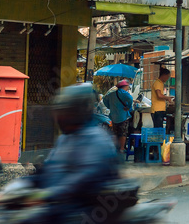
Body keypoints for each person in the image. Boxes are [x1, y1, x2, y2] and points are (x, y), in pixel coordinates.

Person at [29, 84, 121, 224]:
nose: (62, 117)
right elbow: (50, 167)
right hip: (59, 205)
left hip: (85, 209)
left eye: (67, 112)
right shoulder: (65, 138)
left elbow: (84, 177)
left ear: (78, 111)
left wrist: (50, 194)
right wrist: (24, 183)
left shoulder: (97, 139)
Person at [103, 79, 133, 153]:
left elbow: (104, 100)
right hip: (123, 116)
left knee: (115, 132)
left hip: (114, 116)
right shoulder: (124, 93)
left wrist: (109, 106)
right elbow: (130, 99)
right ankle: (122, 148)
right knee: (123, 132)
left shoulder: (111, 94)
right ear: (125, 86)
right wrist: (128, 107)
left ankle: (116, 148)